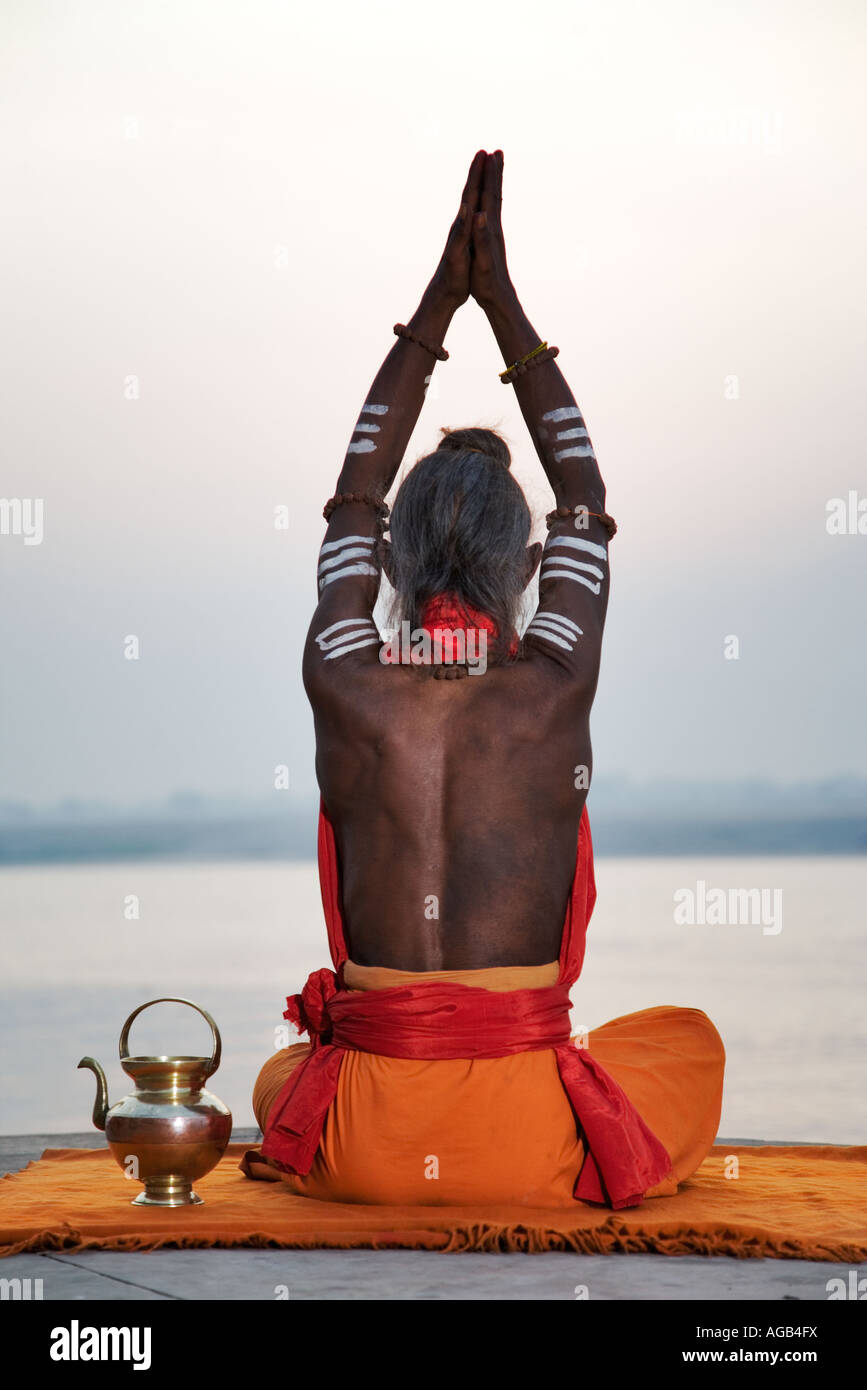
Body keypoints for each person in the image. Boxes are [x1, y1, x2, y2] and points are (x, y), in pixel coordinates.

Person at [242, 150, 724, 1209]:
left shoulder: (344, 673)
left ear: (392, 564)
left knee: (281, 1075)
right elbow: (584, 492)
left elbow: (350, 498)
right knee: (684, 1044)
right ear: (527, 568)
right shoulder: (553, 679)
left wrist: (436, 307)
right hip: (523, 1145)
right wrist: (500, 301)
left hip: (366, 1143)